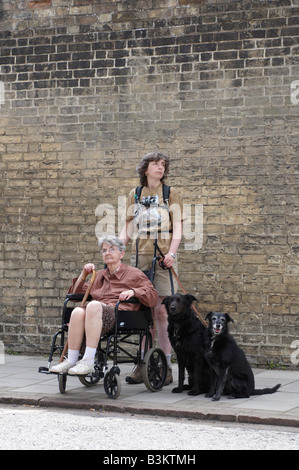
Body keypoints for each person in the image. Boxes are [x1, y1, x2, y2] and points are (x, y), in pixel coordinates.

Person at [50, 236, 158, 376]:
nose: (107, 253)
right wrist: (84, 274)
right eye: (104, 250)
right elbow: (76, 295)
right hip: (95, 316)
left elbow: (153, 296)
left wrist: (133, 291)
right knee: (77, 312)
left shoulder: (134, 274)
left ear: (122, 254)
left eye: (112, 250)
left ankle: (88, 361)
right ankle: (71, 360)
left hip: (120, 315)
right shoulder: (99, 275)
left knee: (93, 305)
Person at [119, 151, 183, 385]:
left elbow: (177, 228)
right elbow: (127, 227)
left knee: (162, 312)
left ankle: (165, 367)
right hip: (140, 259)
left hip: (163, 258)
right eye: (155, 164)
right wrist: (117, 250)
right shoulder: (134, 194)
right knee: (145, 314)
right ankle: (144, 365)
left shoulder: (170, 193)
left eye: (163, 164)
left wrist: (172, 254)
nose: (160, 168)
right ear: (145, 169)